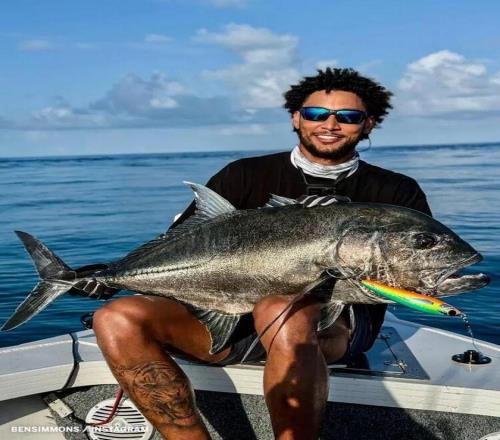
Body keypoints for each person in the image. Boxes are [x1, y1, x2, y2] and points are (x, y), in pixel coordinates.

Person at [92, 68, 431, 440]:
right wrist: (112, 274)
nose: (330, 124)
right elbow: (181, 245)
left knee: (279, 307)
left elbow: (418, 273)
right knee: (116, 318)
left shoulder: (396, 191)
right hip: (229, 317)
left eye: (347, 116)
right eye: (316, 113)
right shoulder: (243, 175)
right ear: (296, 118)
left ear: (369, 123)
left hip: (333, 327)